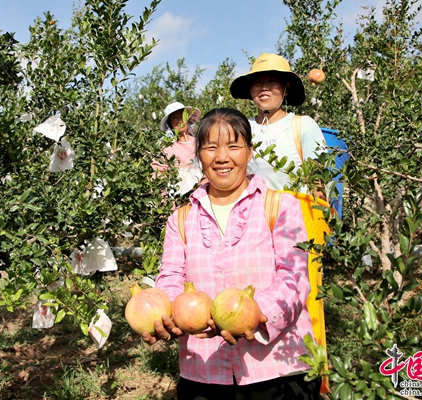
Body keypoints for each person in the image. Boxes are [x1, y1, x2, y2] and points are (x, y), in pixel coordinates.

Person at [142, 107, 321, 399]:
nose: (222, 157)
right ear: (199, 155)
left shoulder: (280, 206)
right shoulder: (181, 219)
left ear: (249, 152)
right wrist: (168, 316)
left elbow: (295, 277)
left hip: (278, 369)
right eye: (211, 147)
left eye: (233, 146)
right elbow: (172, 277)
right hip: (204, 372)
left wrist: (255, 313)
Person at [229, 53, 327, 195]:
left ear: (286, 88)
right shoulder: (242, 128)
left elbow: (317, 181)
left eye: (272, 81)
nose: (264, 88)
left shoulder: (303, 125)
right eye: (257, 82)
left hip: (295, 214)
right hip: (253, 215)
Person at [152, 101, 203, 195]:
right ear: (170, 124)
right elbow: (157, 174)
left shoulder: (200, 142)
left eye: (182, 116)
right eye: (175, 118)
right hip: (177, 197)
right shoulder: (166, 147)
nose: (180, 121)